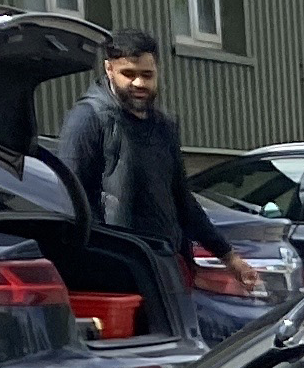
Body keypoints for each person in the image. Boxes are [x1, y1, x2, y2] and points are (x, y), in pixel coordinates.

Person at [55, 29, 255, 346]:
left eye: (146, 74)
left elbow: (181, 200)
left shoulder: (163, 127)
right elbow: (68, 197)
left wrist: (229, 256)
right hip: (121, 273)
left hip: (167, 268)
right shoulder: (88, 119)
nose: (139, 83)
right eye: (128, 74)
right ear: (108, 69)